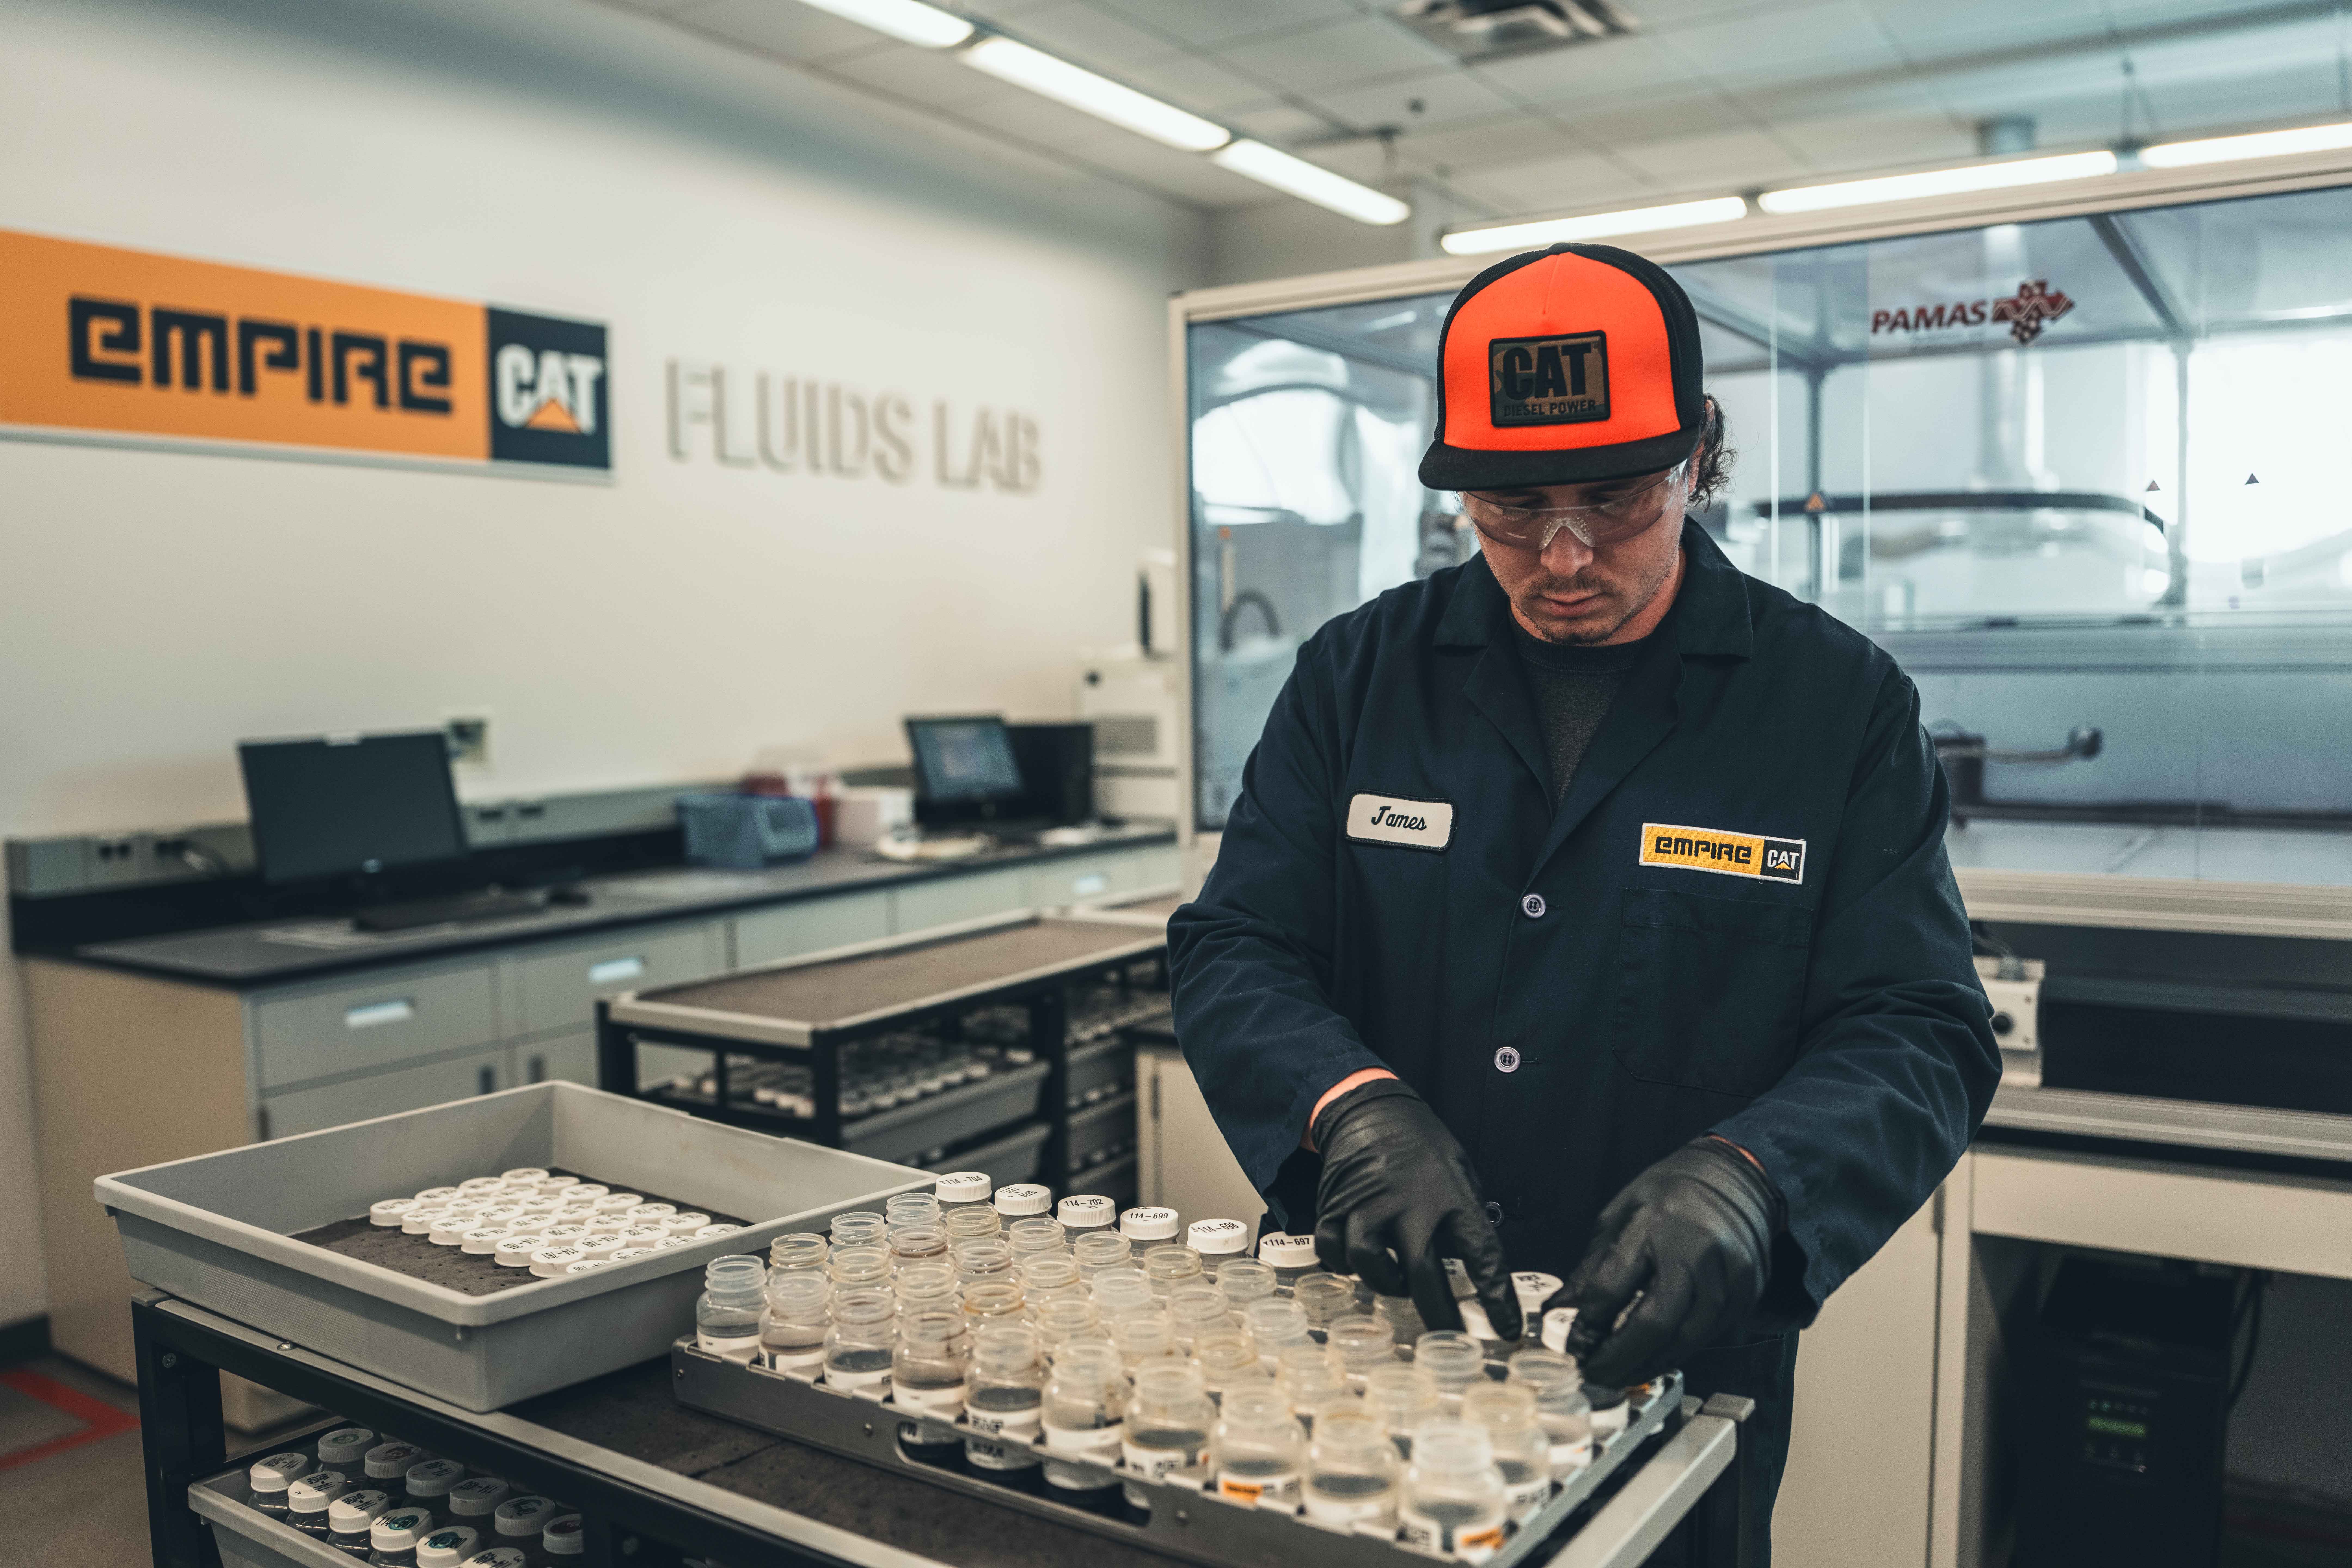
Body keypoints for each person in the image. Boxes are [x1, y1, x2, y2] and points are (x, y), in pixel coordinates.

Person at [1166, 242, 2000, 1561]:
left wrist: (1754, 1181)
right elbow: (1237, 946)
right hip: (1370, 1340)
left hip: (1659, 1365)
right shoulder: (1357, 676)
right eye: (1509, 507)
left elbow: (1918, 1027)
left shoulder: (1834, 707)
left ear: (1698, 456)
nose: (1562, 556)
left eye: (1613, 501)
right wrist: (1349, 1109)